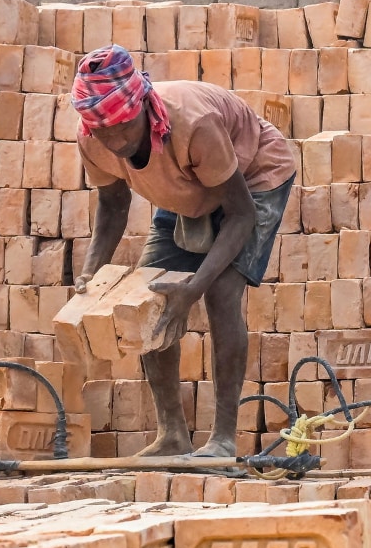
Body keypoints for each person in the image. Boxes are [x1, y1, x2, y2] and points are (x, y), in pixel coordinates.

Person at [72, 46, 296, 457]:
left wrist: (194, 286)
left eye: (124, 129)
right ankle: (172, 434)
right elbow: (113, 205)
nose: (116, 142)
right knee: (150, 297)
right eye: (105, 133)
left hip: (252, 176)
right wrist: (90, 274)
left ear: (142, 107)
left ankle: (224, 439)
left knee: (221, 292)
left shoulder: (194, 124)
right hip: (186, 189)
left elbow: (241, 215)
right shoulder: (94, 139)